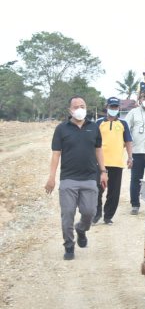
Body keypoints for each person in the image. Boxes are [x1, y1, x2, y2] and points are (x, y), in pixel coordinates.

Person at [45, 96, 108, 260]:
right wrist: (51, 177)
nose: (79, 109)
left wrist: (103, 171)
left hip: (89, 178)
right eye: (76, 106)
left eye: (82, 106)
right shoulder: (61, 129)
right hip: (68, 179)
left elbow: (99, 150)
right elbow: (56, 154)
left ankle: (81, 229)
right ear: (70, 110)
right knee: (67, 214)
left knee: (89, 212)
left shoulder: (94, 127)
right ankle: (69, 246)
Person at [94, 97, 133, 225]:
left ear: (119, 108)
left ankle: (108, 216)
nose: (113, 109)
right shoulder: (98, 123)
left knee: (114, 192)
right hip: (100, 164)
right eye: (111, 107)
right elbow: (92, 142)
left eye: (116, 107)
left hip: (116, 163)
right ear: (107, 107)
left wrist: (130, 157)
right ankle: (96, 214)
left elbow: (128, 141)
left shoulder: (123, 124)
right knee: (97, 190)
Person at [124, 90, 145, 215]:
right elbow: (126, 129)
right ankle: (135, 205)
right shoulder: (133, 113)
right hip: (137, 152)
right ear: (140, 99)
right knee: (135, 179)